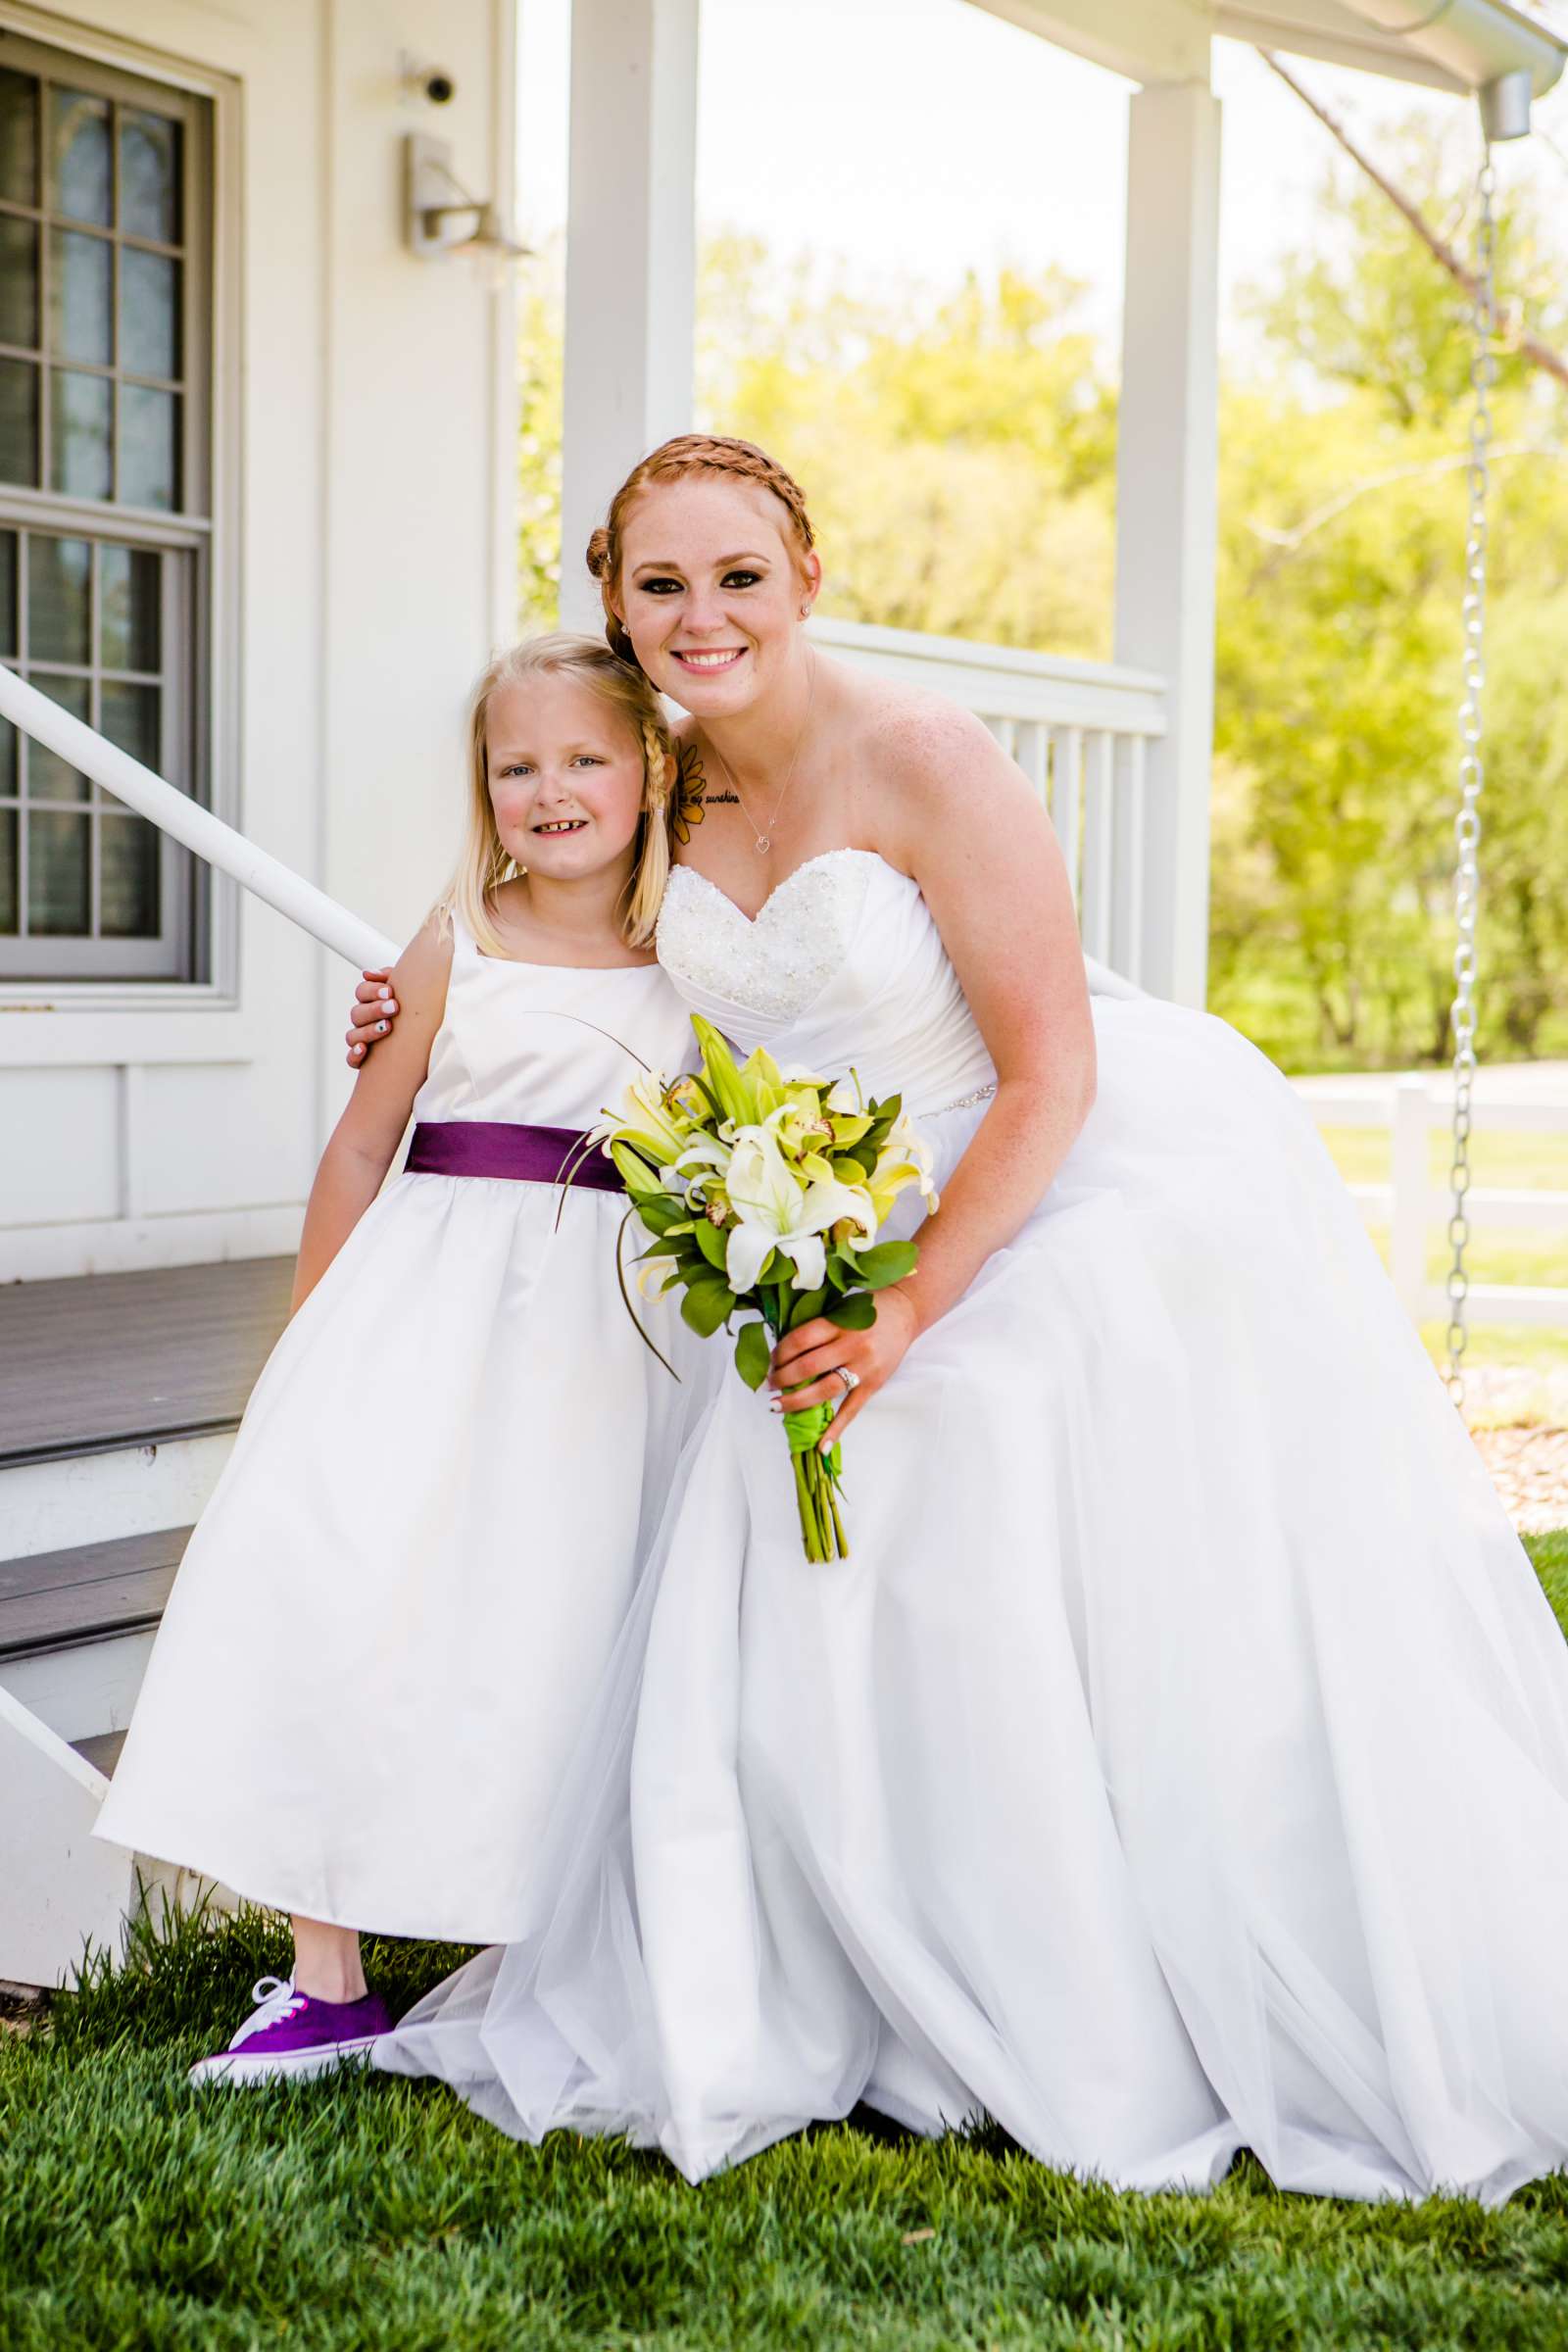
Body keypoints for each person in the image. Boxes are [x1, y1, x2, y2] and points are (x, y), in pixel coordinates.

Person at [356, 438, 1568, 2204]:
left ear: (810, 573)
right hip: (807, 1219)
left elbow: (1050, 1068)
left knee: (951, 1433)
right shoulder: (653, 791)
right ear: (612, 602)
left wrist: (919, 1298)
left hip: (1032, 1186)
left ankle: (1047, 1984)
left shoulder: (925, 760)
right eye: (662, 585)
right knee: (762, 1449)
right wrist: (411, 1007)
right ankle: (826, 1968)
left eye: (739, 577)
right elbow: (542, 929)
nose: (703, 619)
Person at [96, 633, 711, 2085]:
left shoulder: (697, 953)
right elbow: (364, 1140)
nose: (550, 790)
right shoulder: (455, 938)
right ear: (482, 789)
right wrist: (312, 1342)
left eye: (584, 760)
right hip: (424, 1308)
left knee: (552, 1617)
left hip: (600, 1345)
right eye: (517, 768)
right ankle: (325, 1973)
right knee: (349, 1589)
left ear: (649, 772)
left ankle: (550, 1944)